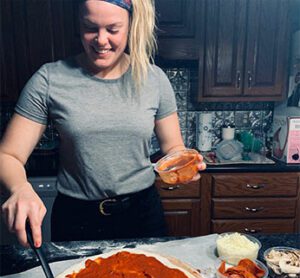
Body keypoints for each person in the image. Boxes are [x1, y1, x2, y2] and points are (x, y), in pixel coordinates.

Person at [0, 0, 206, 248]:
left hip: (142, 215)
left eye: (113, 29)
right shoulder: (49, 79)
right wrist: (19, 188)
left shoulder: (154, 79)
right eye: (90, 27)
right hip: (77, 217)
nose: (100, 40)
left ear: (131, 26)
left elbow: (173, 147)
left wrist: (184, 164)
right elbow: (8, 154)